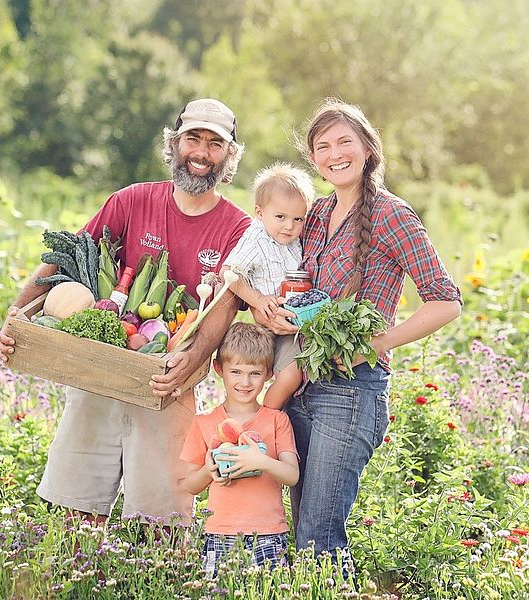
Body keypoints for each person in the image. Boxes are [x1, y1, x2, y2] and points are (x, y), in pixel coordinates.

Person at [0, 98, 252, 528]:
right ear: (174, 143)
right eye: (193, 138)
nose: (202, 154)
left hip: (165, 380)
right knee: (76, 508)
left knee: (162, 518)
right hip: (99, 366)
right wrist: (15, 317)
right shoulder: (132, 200)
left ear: (229, 155)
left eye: (215, 144)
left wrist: (190, 359)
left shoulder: (238, 227)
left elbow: (224, 308)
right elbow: (63, 255)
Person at [251, 98, 462, 575]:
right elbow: (287, 277)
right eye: (322, 146)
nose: (334, 153)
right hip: (300, 383)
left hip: (351, 391)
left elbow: (446, 300)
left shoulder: (392, 215)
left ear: (368, 147)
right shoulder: (315, 213)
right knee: (302, 526)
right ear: (313, 159)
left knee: (319, 538)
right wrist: (273, 312)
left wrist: (378, 343)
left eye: (345, 141)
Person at [180, 322, 299, 575]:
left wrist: (261, 461)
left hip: (269, 533)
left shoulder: (277, 420)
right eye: (236, 372)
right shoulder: (204, 422)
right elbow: (189, 484)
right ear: (219, 369)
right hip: (220, 532)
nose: (245, 382)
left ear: (268, 374)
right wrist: (208, 470)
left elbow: (292, 474)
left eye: (255, 373)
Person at [222, 163, 315, 410]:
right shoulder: (256, 237)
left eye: (298, 219)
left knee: (292, 373)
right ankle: (249, 414)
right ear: (260, 213)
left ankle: (266, 414)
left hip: (293, 326)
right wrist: (258, 300)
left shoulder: (294, 239)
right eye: (280, 217)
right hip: (267, 322)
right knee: (249, 372)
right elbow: (228, 272)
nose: (289, 226)